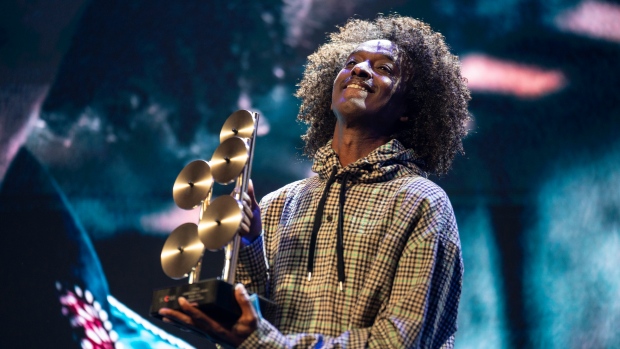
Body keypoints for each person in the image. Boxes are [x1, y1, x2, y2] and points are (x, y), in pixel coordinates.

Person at [159, 14, 471, 348]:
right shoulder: (279, 203)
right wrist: (249, 244)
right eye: (352, 62)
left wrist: (265, 344)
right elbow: (257, 322)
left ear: (410, 108)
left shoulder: (421, 202)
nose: (360, 70)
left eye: (384, 69)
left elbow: (398, 341)